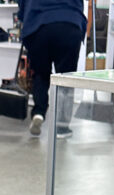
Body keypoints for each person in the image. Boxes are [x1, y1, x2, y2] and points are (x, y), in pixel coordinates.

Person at [17, 0, 87, 137]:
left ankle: (39, 113)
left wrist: (23, 15)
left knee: (40, 74)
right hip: (69, 23)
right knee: (66, 79)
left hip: (38, 25)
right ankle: (62, 127)